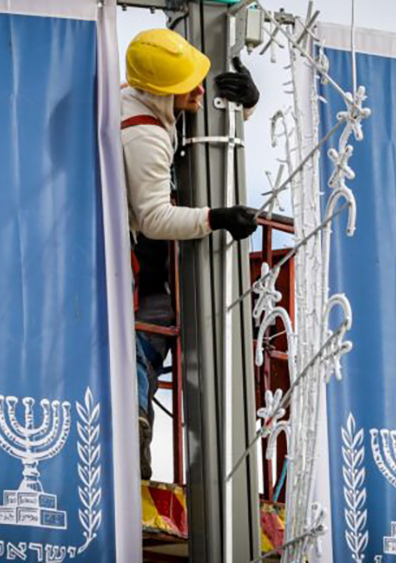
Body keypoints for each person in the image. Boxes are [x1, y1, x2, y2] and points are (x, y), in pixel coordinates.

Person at [121, 28, 260, 479]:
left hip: (143, 269)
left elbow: (201, 131)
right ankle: (130, 432)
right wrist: (216, 218)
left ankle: (134, 423)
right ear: (162, 92)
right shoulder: (144, 135)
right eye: (188, 86)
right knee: (136, 340)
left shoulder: (144, 103)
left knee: (142, 337)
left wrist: (245, 107)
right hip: (134, 268)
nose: (199, 91)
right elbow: (154, 217)